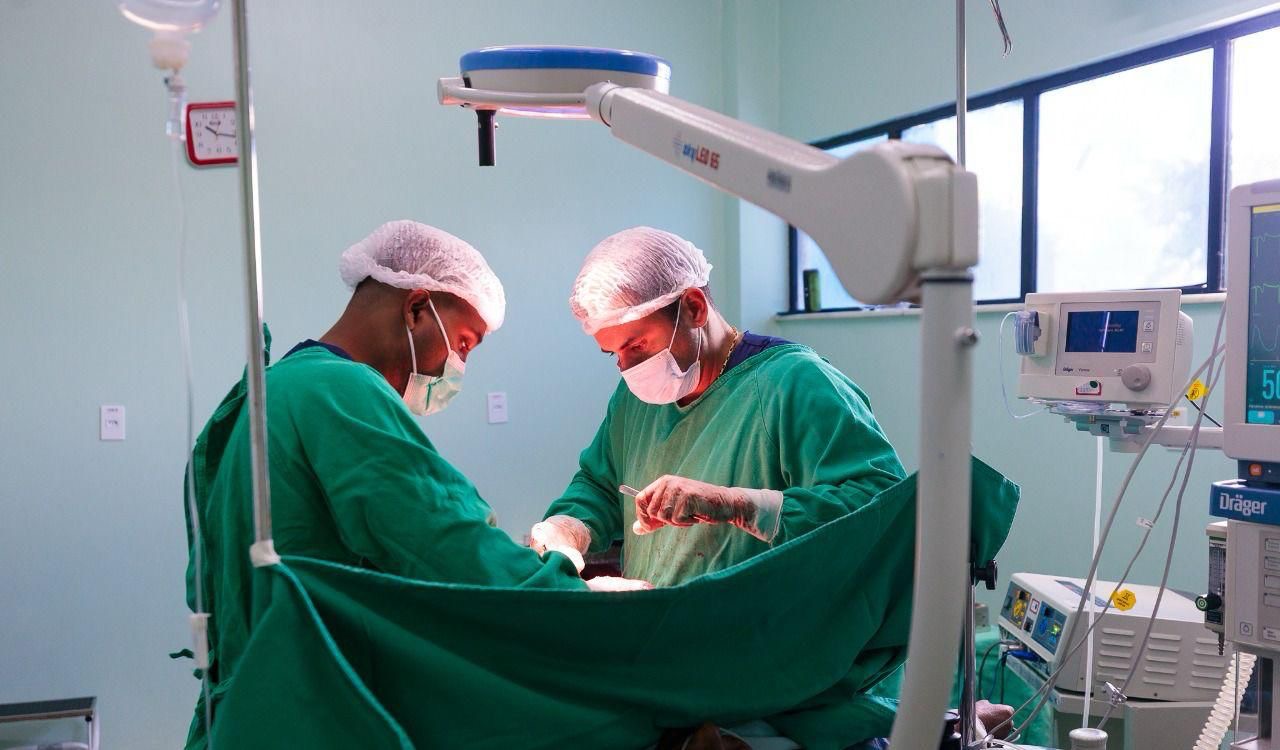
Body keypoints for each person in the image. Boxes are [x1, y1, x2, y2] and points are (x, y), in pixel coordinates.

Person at [182, 220, 642, 750]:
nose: (458, 366)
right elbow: (445, 541)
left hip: (256, 705)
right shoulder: (338, 391)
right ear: (418, 308)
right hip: (308, 708)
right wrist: (575, 598)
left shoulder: (280, 387)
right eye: (464, 344)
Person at [530, 226, 907, 587]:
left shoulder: (795, 383)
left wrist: (739, 505)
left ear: (694, 308)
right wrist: (569, 526)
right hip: (664, 622)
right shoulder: (635, 398)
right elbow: (601, 483)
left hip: (764, 625)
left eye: (637, 345)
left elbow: (880, 504)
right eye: (612, 353)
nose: (626, 367)